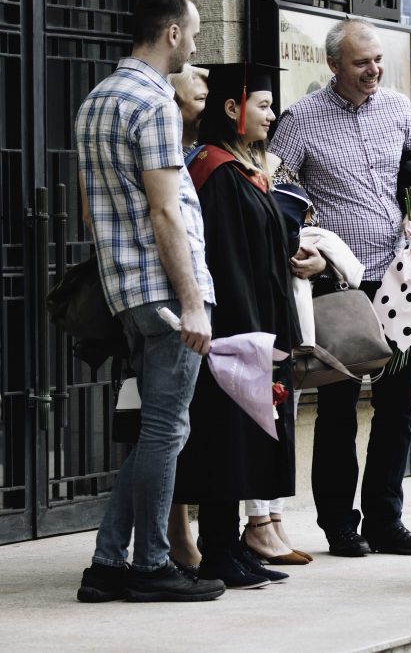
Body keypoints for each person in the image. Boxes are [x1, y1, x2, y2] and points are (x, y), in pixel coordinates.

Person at [74, 0, 224, 603]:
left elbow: (90, 212)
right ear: (170, 33)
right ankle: (151, 565)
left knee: (152, 428)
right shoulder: (155, 101)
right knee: (167, 428)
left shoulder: (95, 100)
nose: (194, 42)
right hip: (165, 289)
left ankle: (108, 563)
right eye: (192, 31)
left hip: (125, 287)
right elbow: (166, 212)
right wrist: (192, 303)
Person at [269, 17, 411, 557]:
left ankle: (387, 520)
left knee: (399, 407)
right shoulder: (300, 119)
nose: (374, 70)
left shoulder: (398, 108)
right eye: (362, 62)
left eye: (378, 59)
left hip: (399, 278)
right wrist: (305, 247)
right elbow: (276, 194)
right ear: (333, 64)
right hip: (339, 285)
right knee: (338, 411)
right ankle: (340, 524)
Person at [173, 62, 314, 587]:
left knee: (242, 438)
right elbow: (228, 260)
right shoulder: (214, 171)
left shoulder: (240, 167)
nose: (272, 115)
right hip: (235, 328)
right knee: (223, 438)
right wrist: (252, 329)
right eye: (263, 105)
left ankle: (231, 546)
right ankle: (218, 550)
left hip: (255, 325)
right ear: (232, 109)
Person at [162, 63, 209, 574]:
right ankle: (171, 536)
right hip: (166, 299)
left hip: (200, 296)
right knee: (162, 426)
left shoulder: (204, 151)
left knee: (179, 424)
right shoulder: (160, 145)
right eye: (193, 89)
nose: (204, 93)